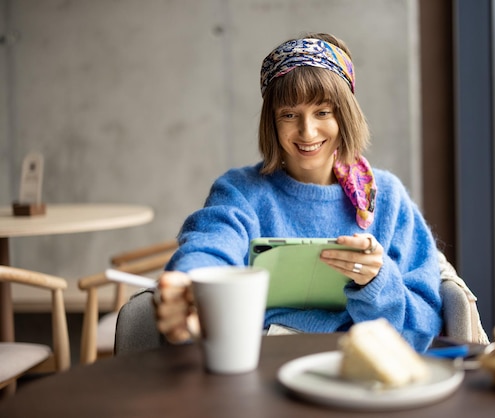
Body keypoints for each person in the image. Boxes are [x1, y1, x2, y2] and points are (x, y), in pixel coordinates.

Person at [155, 33, 442, 352]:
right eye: (289, 115)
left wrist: (377, 282)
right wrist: (192, 284)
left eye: (323, 112)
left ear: (344, 115)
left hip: (360, 367)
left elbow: (425, 325)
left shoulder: (387, 197)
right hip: (263, 365)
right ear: (272, 123)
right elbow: (212, 245)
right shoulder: (240, 191)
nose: (307, 131)